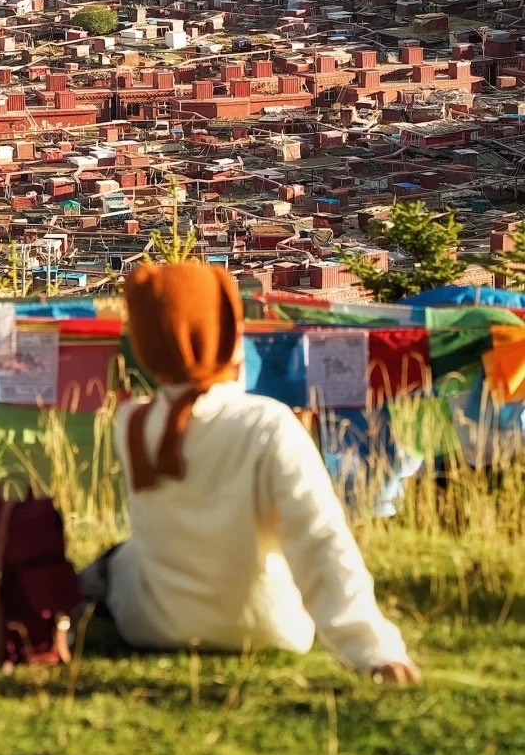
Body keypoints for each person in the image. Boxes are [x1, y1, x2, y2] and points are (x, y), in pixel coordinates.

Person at [81, 261, 420, 685]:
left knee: (117, 560)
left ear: (147, 345)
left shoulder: (130, 423)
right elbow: (321, 541)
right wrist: (373, 651)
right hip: (268, 627)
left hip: (152, 625)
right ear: (227, 333)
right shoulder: (267, 425)